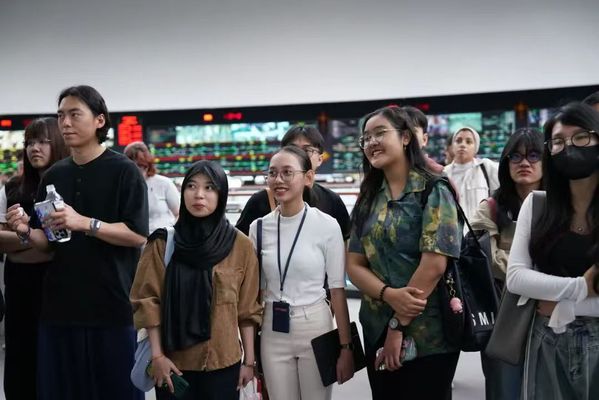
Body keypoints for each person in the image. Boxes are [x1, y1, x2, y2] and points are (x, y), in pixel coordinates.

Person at [6, 85, 149, 400]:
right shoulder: (54, 175)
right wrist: (25, 230)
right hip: (60, 308)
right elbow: (49, 242)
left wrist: (85, 223)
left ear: (99, 120)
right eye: (61, 116)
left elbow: (137, 234)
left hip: (111, 307)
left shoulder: (124, 171)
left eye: (74, 114)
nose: (65, 123)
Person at [346, 106, 462, 399]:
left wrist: (397, 325)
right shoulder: (368, 199)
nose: (371, 142)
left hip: (428, 335)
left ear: (406, 137)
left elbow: (434, 265)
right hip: (376, 328)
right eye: (366, 138)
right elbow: (354, 264)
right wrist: (388, 294)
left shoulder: (433, 189)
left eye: (380, 133)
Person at [130, 160, 262, 400]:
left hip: (224, 365)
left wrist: (249, 362)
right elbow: (147, 302)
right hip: (173, 365)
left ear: (221, 194)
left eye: (209, 187)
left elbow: (248, 311)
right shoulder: (162, 243)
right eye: (191, 186)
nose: (199, 194)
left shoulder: (240, 245)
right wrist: (157, 356)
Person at [506, 102, 599, 399]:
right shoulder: (537, 205)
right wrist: (581, 287)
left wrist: (561, 305)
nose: (568, 147)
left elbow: (537, 291)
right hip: (548, 343)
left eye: (581, 137)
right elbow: (517, 278)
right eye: (558, 141)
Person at [248, 145, 354, 400]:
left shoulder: (327, 225)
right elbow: (255, 292)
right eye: (272, 173)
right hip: (273, 329)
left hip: (315, 326)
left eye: (287, 172)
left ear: (308, 177)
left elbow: (337, 290)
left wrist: (346, 347)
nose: (278, 180)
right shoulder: (258, 228)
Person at [470, 128, 544, 400]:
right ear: (505, 163)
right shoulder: (490, 208)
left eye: (534, 155)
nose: (524, 163)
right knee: (504, 388)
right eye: (516, 156)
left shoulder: (561, 206)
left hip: (551, 315)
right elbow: (485, 260)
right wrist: (541, 273)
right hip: (502, 315)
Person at [0, 118, 70, 400]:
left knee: (55, 365)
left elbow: (61, 247)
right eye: (29, 143)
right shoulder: (12, 188)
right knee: (21, 363)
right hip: (19, 290)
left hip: (59, 290)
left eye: (42, 142)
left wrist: (21, 240)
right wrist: (35, 238)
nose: (34, 148)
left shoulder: (69, 185)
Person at [236, 125, 350, 240]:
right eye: (292, 149)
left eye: (307, 150)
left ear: (320, 159)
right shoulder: (259, 202)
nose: (298, 155)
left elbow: (345, 244)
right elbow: (239, 244)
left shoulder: (332, 201)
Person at [443, 127, 499, 221]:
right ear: (452, 146)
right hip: (453, 229)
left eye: (468, 142)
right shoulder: (444, 173)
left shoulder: (486, 167)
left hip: (481, 229)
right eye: (458, 141)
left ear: (475, 147)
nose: (462, 145)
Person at [124, 141, 180, 233]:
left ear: (148, 165)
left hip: (163, 236)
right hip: (136, 238)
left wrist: (171, 234)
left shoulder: (164, 183)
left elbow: (178, 214)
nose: (140, 171)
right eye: (135, 166)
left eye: (142, 166)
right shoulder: (124, 187)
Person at [403, 105, 444, 173]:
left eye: (412, 131)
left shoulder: (437, 172)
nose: (406, 136)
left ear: (424, 139)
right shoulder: (385, 168)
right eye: (401, 131)